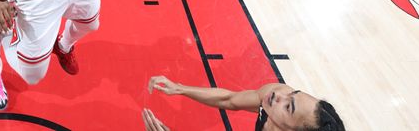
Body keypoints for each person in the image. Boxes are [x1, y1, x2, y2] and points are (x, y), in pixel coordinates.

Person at [142, 76, 346, 131]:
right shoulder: (276, 94)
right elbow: (229, 99)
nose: (279, 96)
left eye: (288, 107)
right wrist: (180, 88)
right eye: (293, 94)